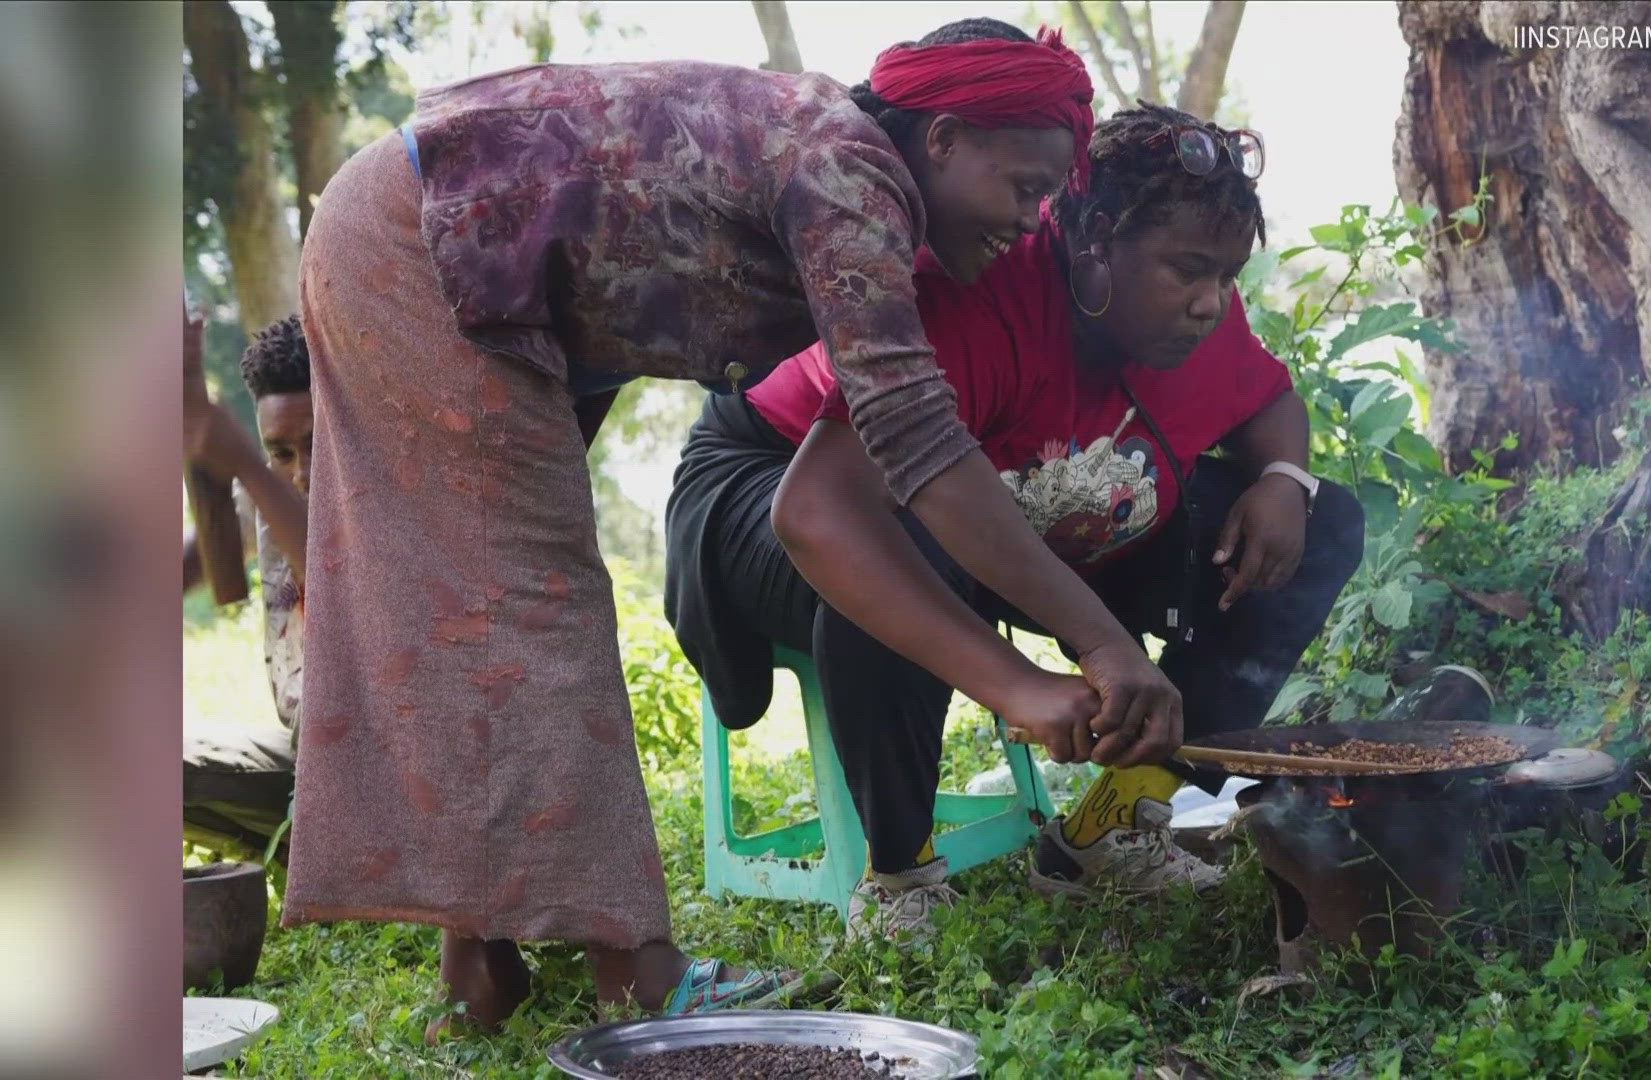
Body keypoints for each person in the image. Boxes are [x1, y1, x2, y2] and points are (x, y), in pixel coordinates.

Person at [288, 17, 1178, 1033]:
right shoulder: (853, 171)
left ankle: (476, 968)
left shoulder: (834, 156)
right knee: (533, 610)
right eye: (1024, 187)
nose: (1031, 222)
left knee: (477, 614)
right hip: (420, 245)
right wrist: (1083, 649)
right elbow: (914, 435)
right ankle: (640, 975)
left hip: (431, 248)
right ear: (944, 140)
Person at [665, 105, 1367, 937]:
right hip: (774, 476)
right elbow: (826, 512)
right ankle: (899, 874)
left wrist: (1284, 479)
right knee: (910, 538)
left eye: (1228, 277)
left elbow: (1268, 398)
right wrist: (1022, 686)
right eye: (1188, 270)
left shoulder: (1197, 310)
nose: (1212, 303)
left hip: (1004, 505)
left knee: (1324, 521)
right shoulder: (974, 292)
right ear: (1097, 237)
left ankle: (1113, 822)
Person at [181, 310, 311, 858]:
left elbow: (347, 596)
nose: (301, 472)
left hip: (397, 787)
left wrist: (251, 468)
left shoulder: (393, 502)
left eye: (317, 445)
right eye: (281, 452)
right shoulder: (265, 493)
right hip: (310, 772)